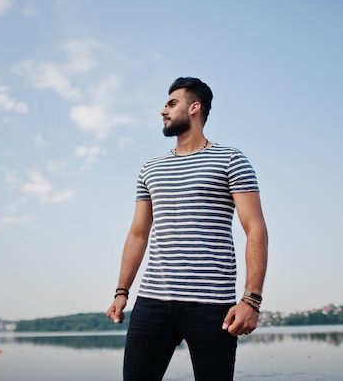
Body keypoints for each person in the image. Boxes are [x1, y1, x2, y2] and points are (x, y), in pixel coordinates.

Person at [107, 77, 268, 381]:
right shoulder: (150, 169)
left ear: (195, 108)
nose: (162, 111)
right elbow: (138, 233)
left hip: (212, 306)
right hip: (152, 303)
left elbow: (255, 229)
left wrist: (251, 300)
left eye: (171, 104)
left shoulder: (231, 159)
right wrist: (121, 291)